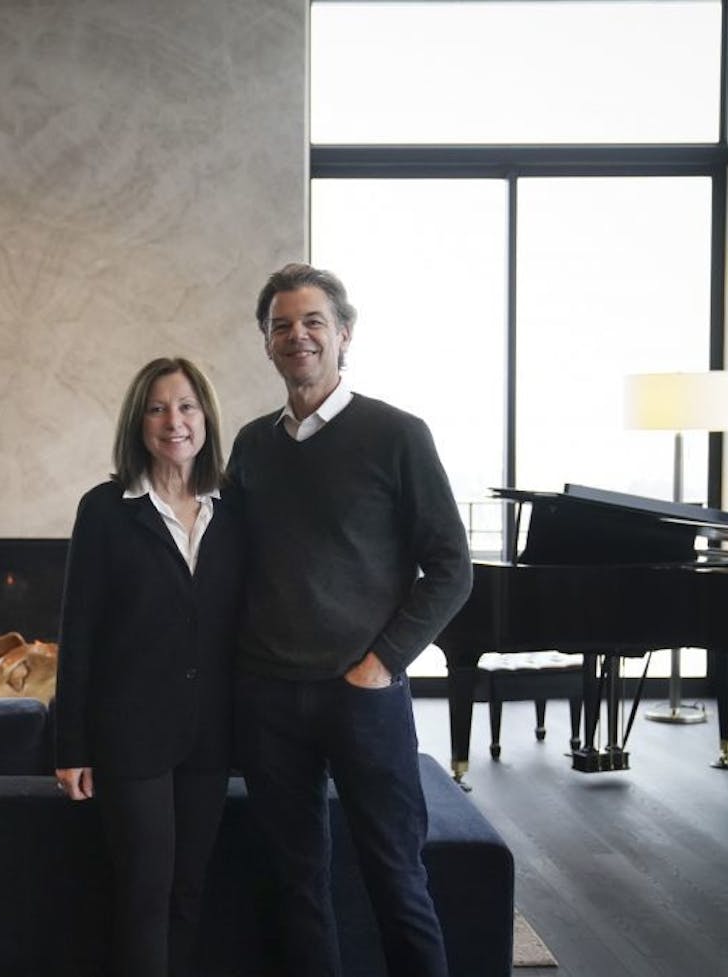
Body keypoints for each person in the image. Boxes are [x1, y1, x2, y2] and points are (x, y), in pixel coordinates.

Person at [226, 263, 473, 977]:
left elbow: (453, 567)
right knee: (295, 885)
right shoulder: (251, 445)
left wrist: (383, 664)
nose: (296, 336)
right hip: (269, 696)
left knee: (396, 876)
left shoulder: (397, 434)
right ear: (267, 344)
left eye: (311, 322)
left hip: (362, 695)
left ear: (343, 334)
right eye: (281, 325)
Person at [54, 356, 242, 977]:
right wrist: (71, 743)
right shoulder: (106, 510)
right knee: (144, 894)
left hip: (211, 736)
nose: (174, 421)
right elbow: (77, 631)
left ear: (206, 418)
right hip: (129, 737)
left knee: (190, 893)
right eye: (158, 408)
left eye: (187, 406)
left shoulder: (236, 508)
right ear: (138, 422)